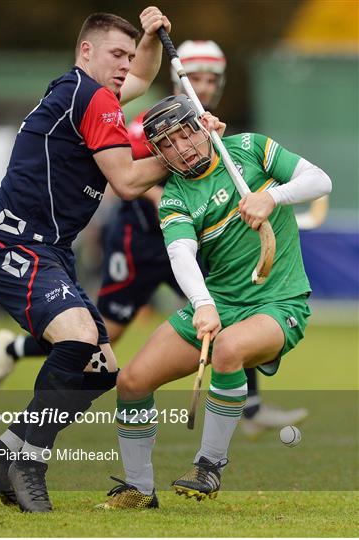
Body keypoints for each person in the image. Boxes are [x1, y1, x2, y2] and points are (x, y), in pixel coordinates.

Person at [0, 8, 223, 514]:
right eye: (117, 54)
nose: (128, 65)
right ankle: (30, 463)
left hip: (48, 251)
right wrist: (196, 147)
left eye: (130, 54)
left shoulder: (88, 93)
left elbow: (148, 77)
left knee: (101, 366)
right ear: (86, 51)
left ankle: (3, 452)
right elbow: (127, 182)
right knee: (82, 339)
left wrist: (149, 36)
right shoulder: (90, 97)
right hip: (14, 246)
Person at [0, 40, 308, 437]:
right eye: (197, 77)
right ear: (179, 76)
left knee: (224, 311)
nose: (203, 86)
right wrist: (179, 178)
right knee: (106, 334)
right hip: (139, 241)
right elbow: (130, 178)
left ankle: (248, 406)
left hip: (183, 241)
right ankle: (14, 352)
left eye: (211, 79)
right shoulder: (142, 123)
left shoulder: (210, 127)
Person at [95, 93, 332, 509]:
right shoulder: (174, 196)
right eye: (166, 144)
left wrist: (270, 197)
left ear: (204, 126)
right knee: (131, 383)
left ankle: (208, 465)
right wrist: (202, 303)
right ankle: (138, 488)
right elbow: (181, 252)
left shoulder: (251, 148)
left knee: (228, 348)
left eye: (184, 134)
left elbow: (319, 180)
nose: (180, 148)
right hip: (219, 300)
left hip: (279, 302)